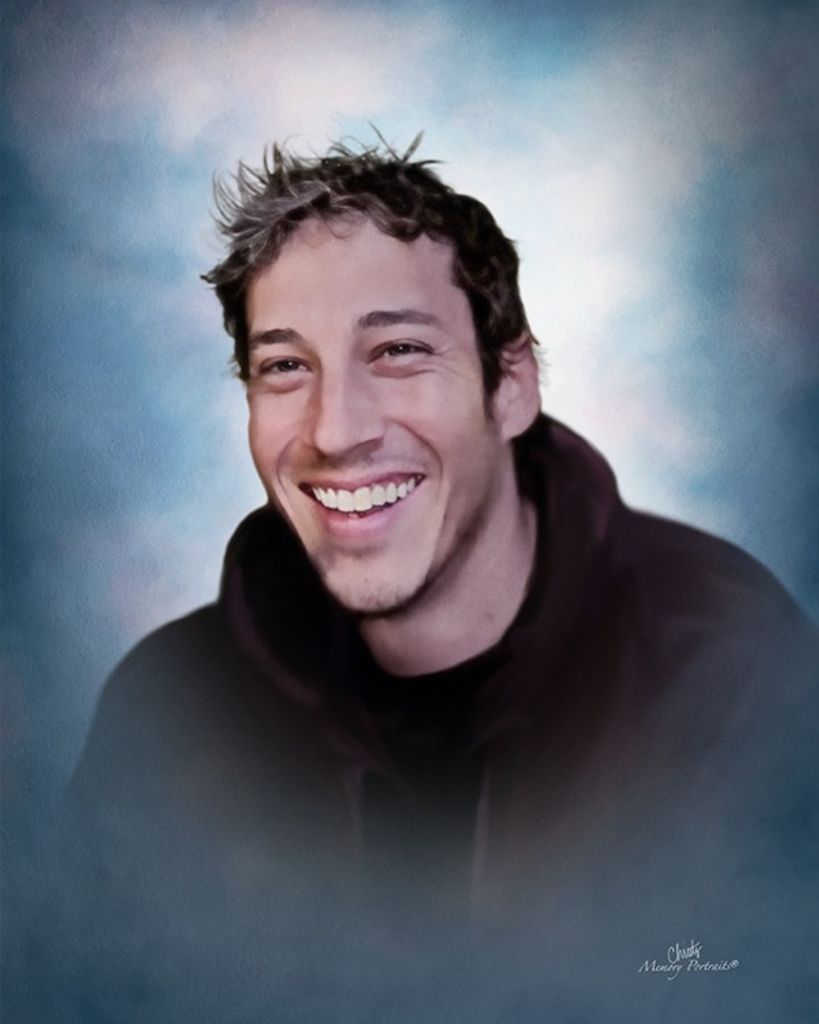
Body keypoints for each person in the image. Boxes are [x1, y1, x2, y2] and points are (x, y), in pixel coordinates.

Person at [63, 138, 817, 1023]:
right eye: (285, 366)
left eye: (397, 351)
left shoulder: (725, 668)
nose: (334, 431)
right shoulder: (169, 713)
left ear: (511, 385)